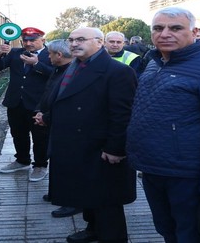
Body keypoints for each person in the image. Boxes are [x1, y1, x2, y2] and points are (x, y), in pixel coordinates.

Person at [127, 7, 200, 242]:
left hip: (189, 174)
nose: (165, 34)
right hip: (154, 169)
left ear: (193, 32)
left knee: (191, 234)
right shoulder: (154, 63)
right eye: (158, 28)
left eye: (176, 28)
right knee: (166, 228)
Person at [46, 27, 137, 243]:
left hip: (100, 148)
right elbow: (67, 99)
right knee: (86, 194)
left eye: (81, 39)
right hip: (77, 144)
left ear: (99, 42)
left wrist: (116, 148)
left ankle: (112, 238)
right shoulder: (75, 66)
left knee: (106, 201)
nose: (74, 44)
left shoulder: (118, 71)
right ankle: (93, 229)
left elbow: (123, 115)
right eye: (71, 40)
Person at [0, 27, 54, 182]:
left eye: (33, 40)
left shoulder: (50, 55)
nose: (28, 43)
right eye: (25, 40)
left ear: (42, 40)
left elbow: (56, 74)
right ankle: (22, 160)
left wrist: (36, 64)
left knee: (40, 137)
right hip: (16, 102)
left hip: (38, 104)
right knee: (18, 133)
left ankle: (40, 165)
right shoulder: (16, 53)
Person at [32, 40, 82, 218]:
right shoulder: (58, 70)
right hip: (50, 120)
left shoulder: (73, 73)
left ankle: (72, 202)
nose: (48, 57)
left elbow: (66, 102)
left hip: (65, 125)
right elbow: (48, 94)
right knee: (56, 159)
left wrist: (46, 117)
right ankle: (57, 193)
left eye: (50, 54)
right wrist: (40, 111)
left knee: (67, 164)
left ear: (59, 55)